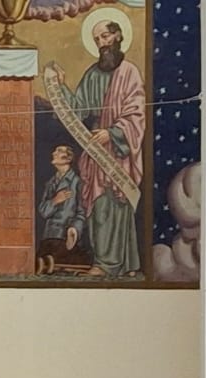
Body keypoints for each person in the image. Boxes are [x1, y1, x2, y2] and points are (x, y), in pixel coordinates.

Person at [46, 20, 145, 277]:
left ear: (118, 36)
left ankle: (115, 264)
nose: (102, 43)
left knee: (116, 205)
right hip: (96, 150)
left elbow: (136, 114)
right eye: (97, 39)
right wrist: (61, 86)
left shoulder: (130, 72)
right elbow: (79, 110)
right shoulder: (92, 74)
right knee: (98, 206)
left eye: (105, 36)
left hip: (118, 150)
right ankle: (109, 262)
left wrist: (111, 133)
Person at [36, 145, 88, 271]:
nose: (54, 153)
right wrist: (55, 200)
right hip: (49, 236)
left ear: (68, 159)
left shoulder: (78, 182)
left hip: (65, 238)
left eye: (59, 151)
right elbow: (43, 211)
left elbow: (82, 213)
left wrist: (74, 229)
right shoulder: (50, 183)